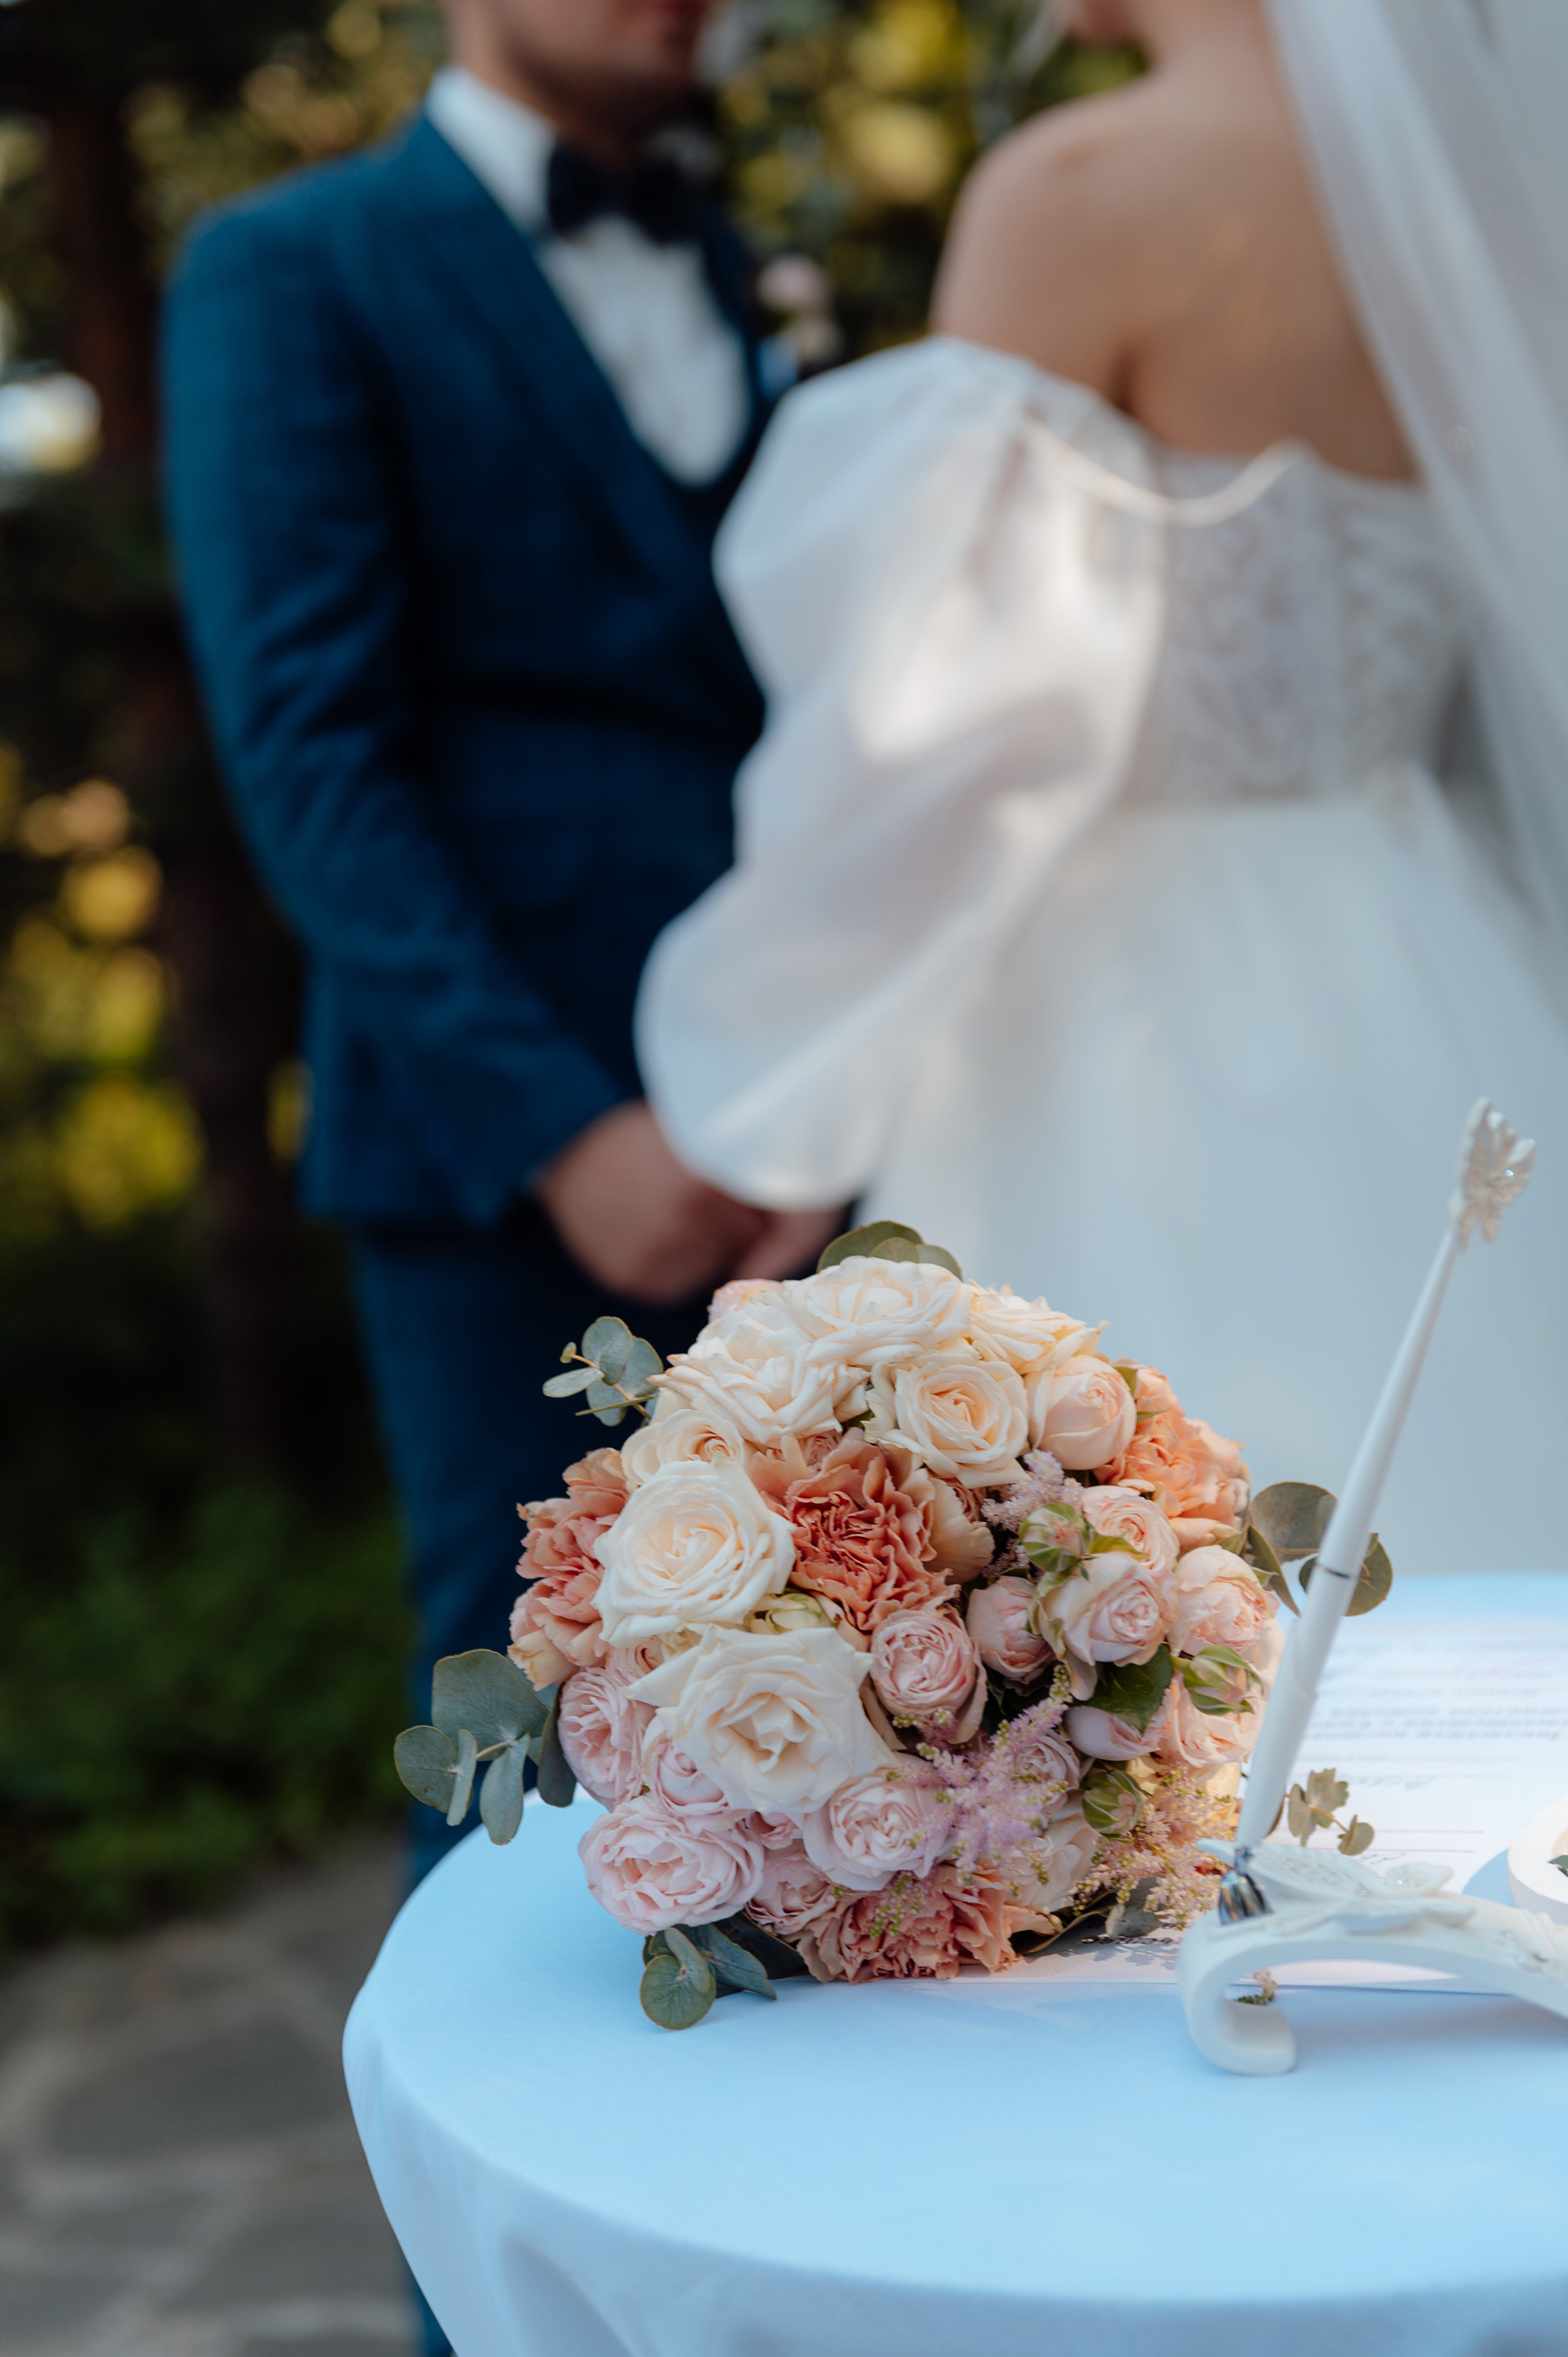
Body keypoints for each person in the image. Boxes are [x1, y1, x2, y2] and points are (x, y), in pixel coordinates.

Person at [637, 0, 1568, 1574]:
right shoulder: (1492, 190)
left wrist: (768, 1088)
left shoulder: (1080, 191)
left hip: (1128, 993)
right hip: (1429, 955)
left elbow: (933, 719)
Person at [162, 0, 839, 1883]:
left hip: (803, 1121)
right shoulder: (292, 269)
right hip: (506, 1163)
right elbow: (310, 755)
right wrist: (564, 1129)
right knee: (533, 1742)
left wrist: (831, 1075)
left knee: (849, 1716)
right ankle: (488, 2184)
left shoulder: (750, 264)